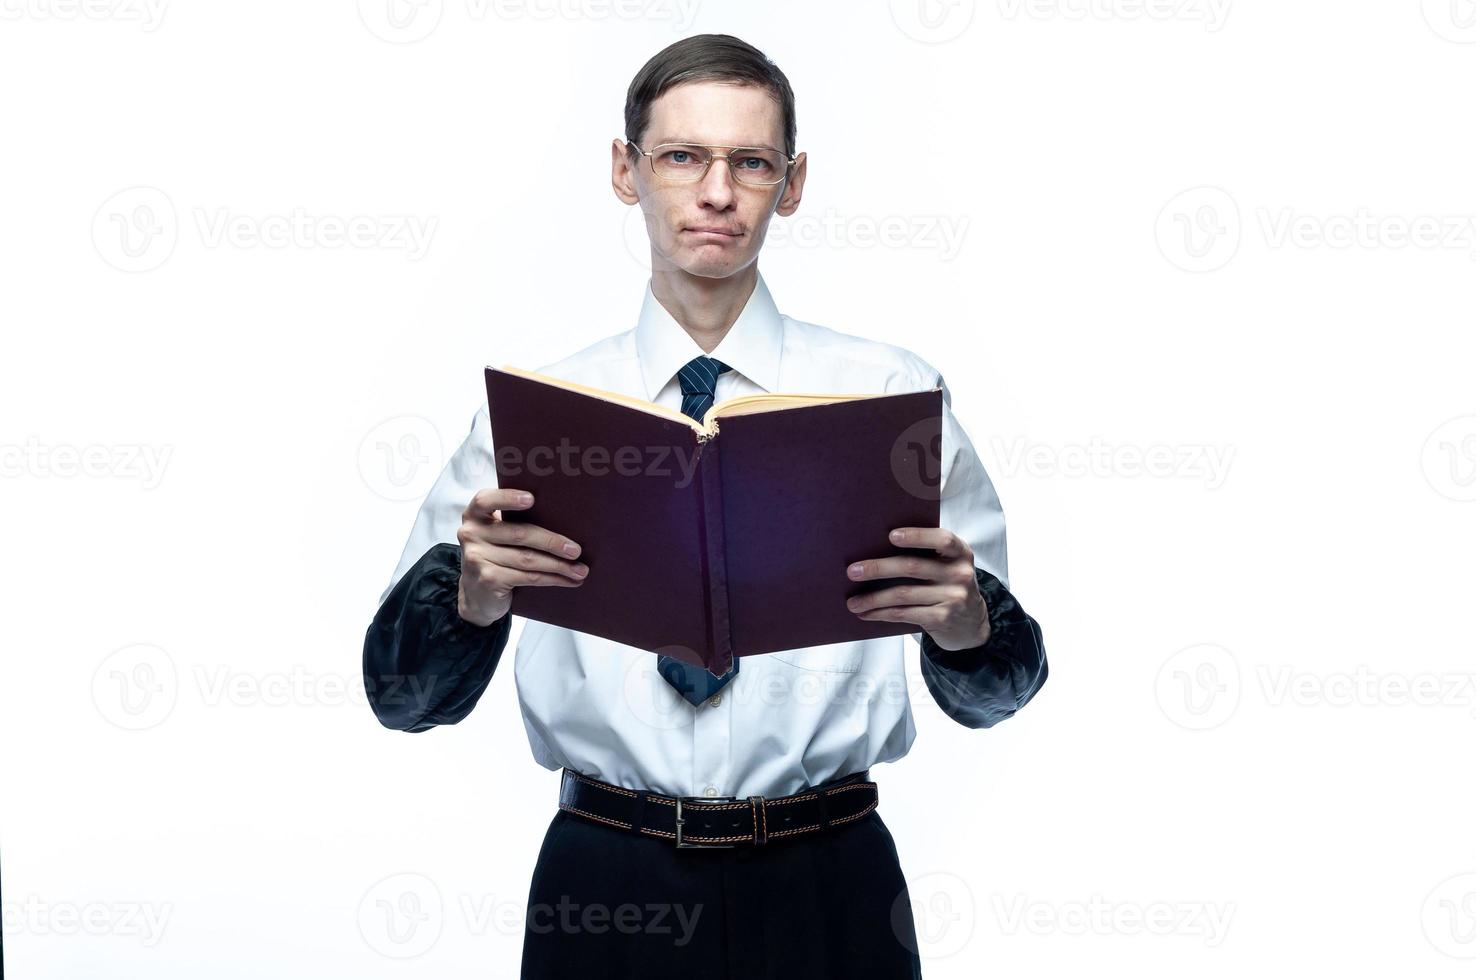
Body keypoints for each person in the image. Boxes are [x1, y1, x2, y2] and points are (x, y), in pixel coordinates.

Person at [362, 33, 1047, 979]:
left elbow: (1001, 693)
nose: (717, 192)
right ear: (625, 170)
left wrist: (969, 626)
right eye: (682, 156)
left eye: (751, 162)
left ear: (792, 182)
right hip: (603, 881)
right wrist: (471, 599)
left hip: (829, 880)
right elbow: (401, 700)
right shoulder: (535, 417)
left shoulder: (888, 398)